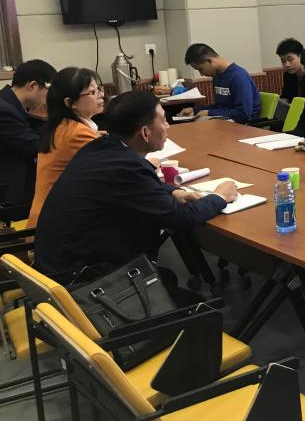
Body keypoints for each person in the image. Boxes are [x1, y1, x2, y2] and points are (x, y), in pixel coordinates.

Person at [33, 91, 238, 278]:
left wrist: (174, 192)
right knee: (185, 296)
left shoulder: (99, 147)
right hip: (82, 281)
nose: (167, 126)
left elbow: (132, 186)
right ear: (145, 133)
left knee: (168, 278)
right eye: (163, 120)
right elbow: (181, 218)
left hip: (54, 268)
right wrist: (219, 197)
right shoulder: (127, 167)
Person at [27, 67, 105, 227]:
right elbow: (112, 168)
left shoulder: (63, 126)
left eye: (99, 89)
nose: (101, 95)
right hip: (56, 225)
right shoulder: (77, 133)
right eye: (92, 92)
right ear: (70, 103)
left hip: (47, 218)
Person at [0, 59, 57, 221]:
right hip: (10, 194)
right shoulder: (4, 110)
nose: (49, 99)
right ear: (33, 86)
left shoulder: (10, 105)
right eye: (49, 91)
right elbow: (33, 145)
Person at [180, 43, 259, 123]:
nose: (201, 74)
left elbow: (244, 113)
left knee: (199, 123)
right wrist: (195, 111)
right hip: (227, 121)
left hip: (245, 125)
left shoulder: (238, 76)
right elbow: (220, 107)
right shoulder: (217, 76)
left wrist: (209, 113)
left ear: (209, 61)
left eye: (200, 69)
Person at [276, 38, 305, 102]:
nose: (287, 65)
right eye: (283, 61)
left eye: (290, 59)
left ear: (300, 56)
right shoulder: (288, 75)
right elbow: (286, 96)